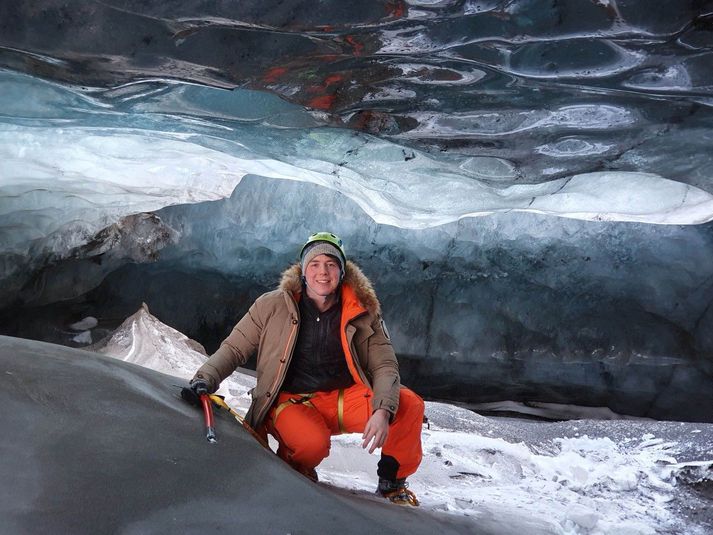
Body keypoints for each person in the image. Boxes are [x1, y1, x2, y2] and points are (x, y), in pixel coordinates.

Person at [188, 231, 424, 506]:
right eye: (314, 264)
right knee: (312, 444)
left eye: (331, 264)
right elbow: (235, 348)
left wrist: (383, 410)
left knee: (407, 405)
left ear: (342, 271)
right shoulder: (272, 305)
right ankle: (293, 467)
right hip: (289, 401)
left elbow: (385, 365)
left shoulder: (362, 311)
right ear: (303, 271)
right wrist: (205, 378)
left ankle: (392, 485)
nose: (323, 272)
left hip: (340, 400)